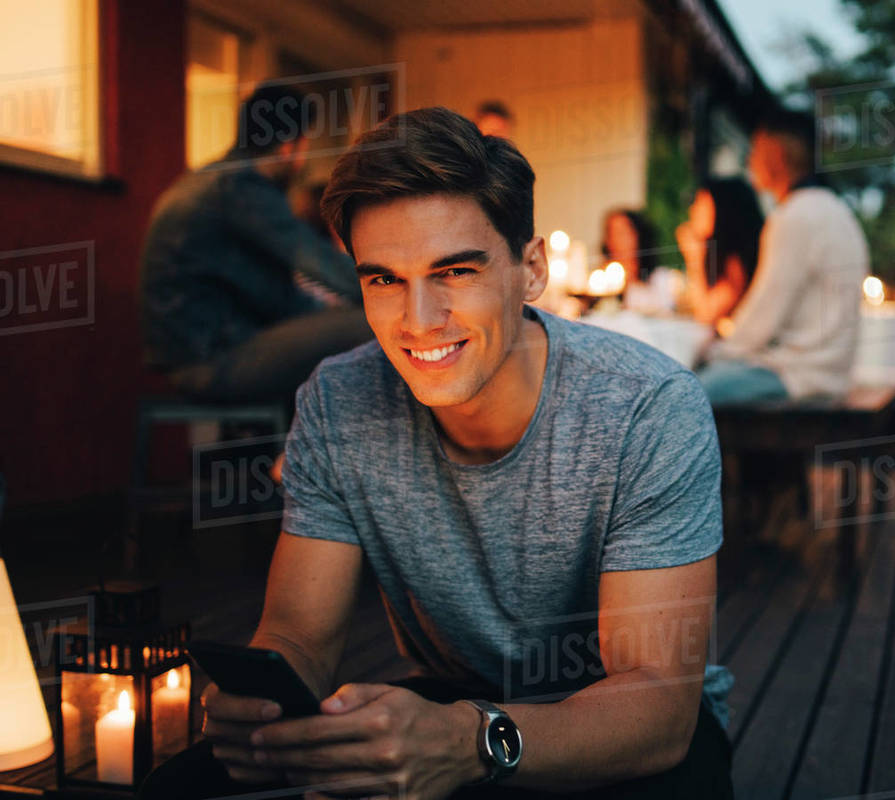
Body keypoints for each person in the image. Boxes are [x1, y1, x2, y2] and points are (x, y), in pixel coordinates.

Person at [138, 107, 734, 800]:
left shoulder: (647, 406)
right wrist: (265, 705)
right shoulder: (338, 401)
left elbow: (657, 708)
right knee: (180, 789)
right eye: (384, 280)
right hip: (449, 703)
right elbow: (298, 636)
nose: (417, 322)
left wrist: (470, 739)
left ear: (531, 269)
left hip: (620, 737)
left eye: (453, 271)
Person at [139, 84, 372, 405]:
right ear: (291, 146)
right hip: (212, 360)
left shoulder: (208, 181)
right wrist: (385, 286)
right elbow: (315, 259)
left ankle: (313, 448)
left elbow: (269, 292)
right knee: (376, 325)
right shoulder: (239, 186)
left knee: (350, 325)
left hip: (191, 353)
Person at [695, 108, 869, 407]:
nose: (749, 161)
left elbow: (765, 311)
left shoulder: (795, 216)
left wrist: (713, 352)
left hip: (798, 376)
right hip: (828, 372)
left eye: (755, 151)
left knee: (683, 395)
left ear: (775, 154)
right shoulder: (834, 210)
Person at [675, 178, 764, 326]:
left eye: (700, 202)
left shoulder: (737, 263)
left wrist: (694, 258)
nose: (693, 210)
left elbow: (706, 315)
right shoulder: (720, 257)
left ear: (723, 209)